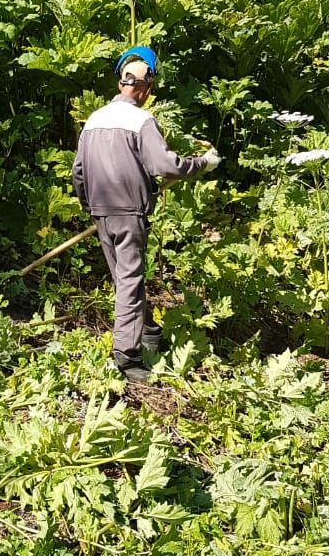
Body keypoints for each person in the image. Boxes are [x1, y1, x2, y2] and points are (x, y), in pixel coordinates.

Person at [71, 52, 220, 382]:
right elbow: (166, 166)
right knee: (129, 281)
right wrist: (202, 164)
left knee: (124, 279)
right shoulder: (142, 122)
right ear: (145, 88)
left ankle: (148, 331)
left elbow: (78, 172)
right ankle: (126, 357)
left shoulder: (93, 120)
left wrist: (89, 206)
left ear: (120, 83)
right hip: (128, 212)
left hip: (101, 212)